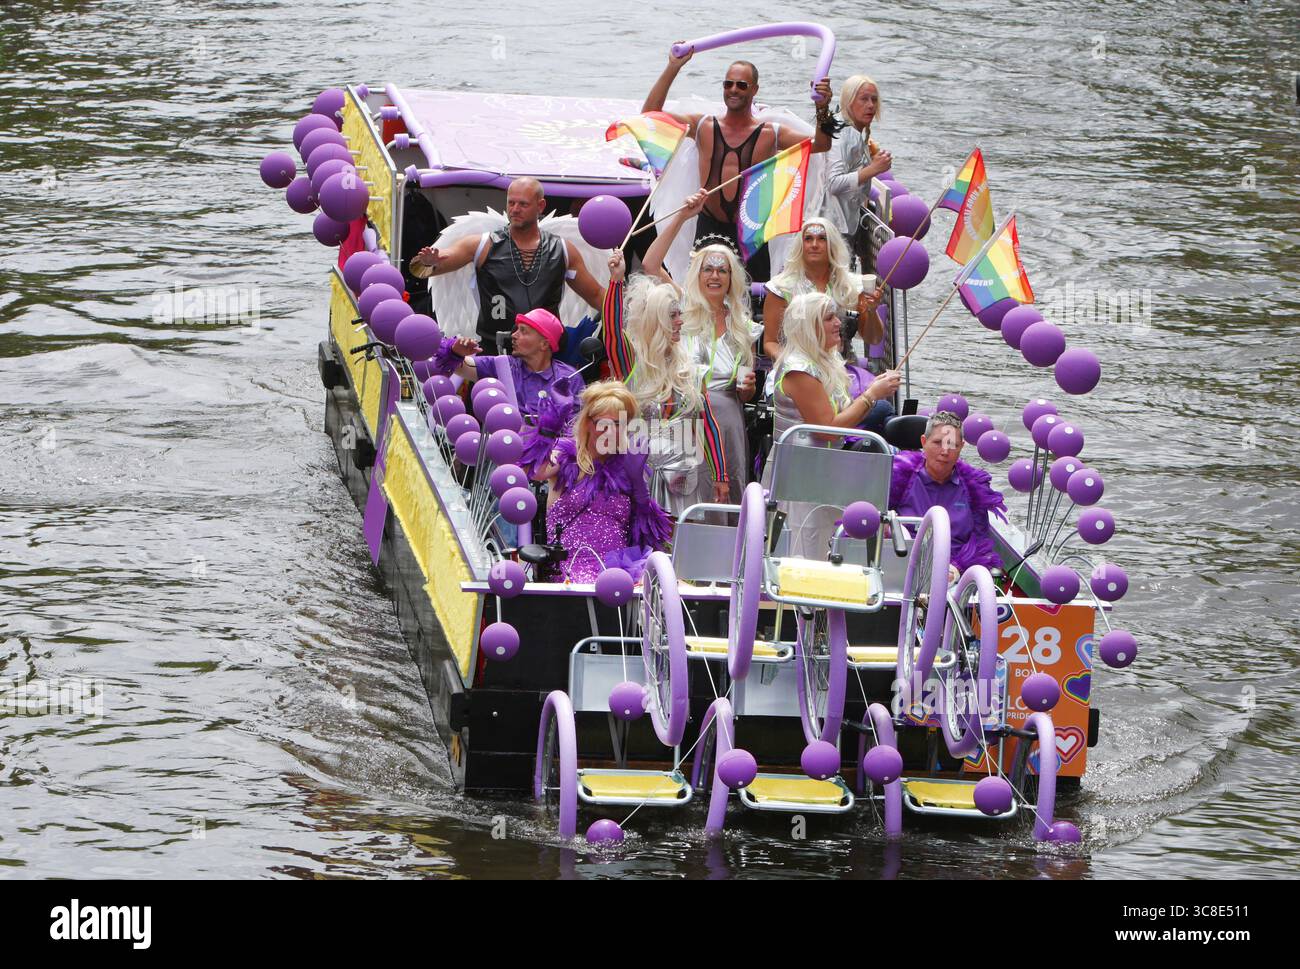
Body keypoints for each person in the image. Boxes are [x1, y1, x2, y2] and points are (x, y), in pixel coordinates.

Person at [642, 48, 834, 281]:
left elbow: (821, 145)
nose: (733, 90)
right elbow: (651, 115)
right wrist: (673, 67)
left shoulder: (769, 134)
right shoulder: (704, 126)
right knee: (704, 297)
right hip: (709, 226)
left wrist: (822, 107)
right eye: (728, 84)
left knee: (754, 301)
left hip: (752, 231)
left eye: (741, 85)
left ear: (754, 90)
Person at [643, 191, 761, 502]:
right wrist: (683, 215)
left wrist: (748, 387)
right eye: (708, 269)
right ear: (698, 273)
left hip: (727, 418)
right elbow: (650, 264)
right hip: (684, 415)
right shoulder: (680, 306)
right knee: (683, 491)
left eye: (722, 270)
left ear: (731, 277)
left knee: (725, 495)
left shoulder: (745, 327)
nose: (714, 276)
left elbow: (747, 393)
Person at [767, 292, 900, 557]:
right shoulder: (799, 370)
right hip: (800, 471)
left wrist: (871, 390)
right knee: (804, 542)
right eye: (829, 318)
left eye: (836, 317)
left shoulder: (823, 360)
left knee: (822, 539)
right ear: (809, 327)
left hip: (822, 465)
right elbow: (827, 428)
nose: (839, 323)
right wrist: (872, 395)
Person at [409, 176, 604, 353]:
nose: (515, 210)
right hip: (496, 350)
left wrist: (628, 310)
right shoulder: (482, 244)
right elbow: (429, 267)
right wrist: (427, 261)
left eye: (523, 204)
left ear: (540, 205)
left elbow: (596, 295)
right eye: (511, 203)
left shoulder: (562, 248)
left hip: (545, 355)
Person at [603, 251, 731, 512]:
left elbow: (707, 422)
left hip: (684, 480)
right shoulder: (631, 363)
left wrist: (721, 474)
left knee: (682, 546)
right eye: (673, 315)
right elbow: (613, 331)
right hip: (638, 479)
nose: (680, 321)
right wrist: (616, 281)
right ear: (656, 319)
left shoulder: (690, 369)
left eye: (679, 314)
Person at [534, 381, 672, 583]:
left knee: (668, 586)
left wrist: (639, 485)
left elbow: (647, 533)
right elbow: (536, 472)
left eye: (619, 424)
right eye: (603, 424)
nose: (611, 431)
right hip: (569, 568)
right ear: (588, 423)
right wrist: (549, 427)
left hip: (620, 569)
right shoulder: (566, 453)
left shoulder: (629, 461)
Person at [889, 410, 1006, 580]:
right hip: (902, 563)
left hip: (953, 571)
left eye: (951, 444)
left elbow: (980, 541)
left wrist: (956, 569)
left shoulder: (975, 488)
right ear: (924, 441)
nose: (944, 451)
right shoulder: (899, 476)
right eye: (937, 442)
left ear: (961, 447)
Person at [762, 217, 884, 360]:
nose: (814, 244)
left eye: (822, 239)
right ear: (801, 245)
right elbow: (770, 343)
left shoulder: (851, 286)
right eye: (808, 239)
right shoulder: (782, 287)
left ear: (833, 245)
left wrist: (871, 310)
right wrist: (794, 365)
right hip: (797, 370)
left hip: (842, 368)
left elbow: (873, 339)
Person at [822, 75, 894, 252]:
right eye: (864, 99)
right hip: (832, 228)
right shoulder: (842, 133)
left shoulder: (850, 130)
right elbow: (833, 183)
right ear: (848, 101)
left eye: (874, 100)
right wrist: (873, 169)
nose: (870, 105)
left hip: (841, 225)